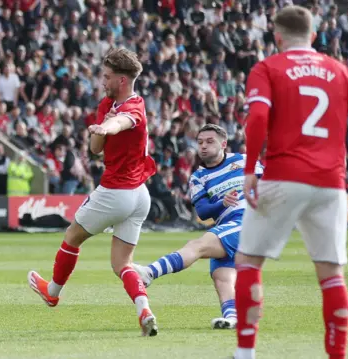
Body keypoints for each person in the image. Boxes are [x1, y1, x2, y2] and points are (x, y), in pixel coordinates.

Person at [230, 6, 348, 359]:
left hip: (282, 176)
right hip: (330, 183)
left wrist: (250, 168)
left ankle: (245, 354)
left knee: (249, 262)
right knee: (330, 273)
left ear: (276, 36)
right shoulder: (339, 70)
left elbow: (259, 117)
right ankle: (337, 355)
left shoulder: (267, 68)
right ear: (313, 36)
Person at [28, 48, 158, 336]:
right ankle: (144, 311)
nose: (102, 81)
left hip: (117, 192)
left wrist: (108, 126)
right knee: (122, 264)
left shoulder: (133, 108)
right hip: (139, 195)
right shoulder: (107, 104)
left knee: (72, 236)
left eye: (107, 77)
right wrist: (102, 128)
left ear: (122, 80)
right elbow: (95, 149)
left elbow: (121, 122)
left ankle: (52, 291)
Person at [134, 124, 263, 330]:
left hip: (249, 222)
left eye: (209, 142)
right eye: (200, 142)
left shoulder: (243, 160)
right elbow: (203, 211)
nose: (203, 146)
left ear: (223, 144)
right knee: (222, 277)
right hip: (229, 226)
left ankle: (149, 272)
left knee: (198, 245)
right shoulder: (198, 177)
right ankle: (232, 317)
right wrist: (223, 203)